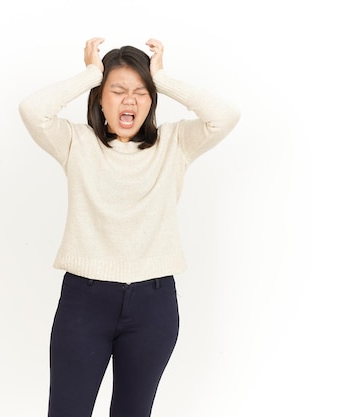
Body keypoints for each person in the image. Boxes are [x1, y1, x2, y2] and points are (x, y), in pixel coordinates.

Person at [19, 37, 240, 417]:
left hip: (153, 306)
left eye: (141, 92)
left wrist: (163, 79)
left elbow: (226, 115)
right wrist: (90, 73)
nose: (129, 101)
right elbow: (31, 109)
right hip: (84, 302)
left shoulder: (176, 143)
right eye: (117, 90)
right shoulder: (76, 143)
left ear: (152, 101)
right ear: (99, 99)